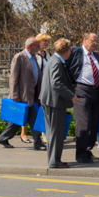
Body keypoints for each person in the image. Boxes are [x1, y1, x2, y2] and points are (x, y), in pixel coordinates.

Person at [65, 32, 99, 164]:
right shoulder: (75, 52)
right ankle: (80, 153)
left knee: (94, 123)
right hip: (81, 90)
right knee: (84, 122)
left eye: (96, 41)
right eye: (92, 40)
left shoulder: (97, 57)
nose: (95, 43)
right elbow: (64, 67)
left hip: (96, 92)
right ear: (84, 40)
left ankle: (88, 151)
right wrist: (69, 87)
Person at [0, 37, 45, 151]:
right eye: (37, 45)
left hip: (32, 94)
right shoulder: (19, 57)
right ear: (30, 46)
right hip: (22, 95)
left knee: (25, 119)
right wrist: (14, 94)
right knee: (22, 119)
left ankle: (4, 138)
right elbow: (13, 77)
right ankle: (37, 143)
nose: (39, 48)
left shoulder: (34, 58)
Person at [40, 38, 78, 169]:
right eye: (70, 49)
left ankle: (54, 160)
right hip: (54, 102)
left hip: (50, 100)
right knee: (56, 133)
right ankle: (54, 161)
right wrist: (71, 95)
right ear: (66, 51)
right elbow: (56, 83)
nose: (71, 50)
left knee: (53, 132)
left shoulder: (53, 60)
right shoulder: (57, 62)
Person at [20, 33, 53, 144]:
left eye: (47, 41)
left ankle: (42, 136)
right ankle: (23, 133)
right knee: (27, 109)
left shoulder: (48, 55)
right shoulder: (33, 55)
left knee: (39, 111)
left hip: (44, 86)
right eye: (44, 41)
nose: (46, 43)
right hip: (33, 86)